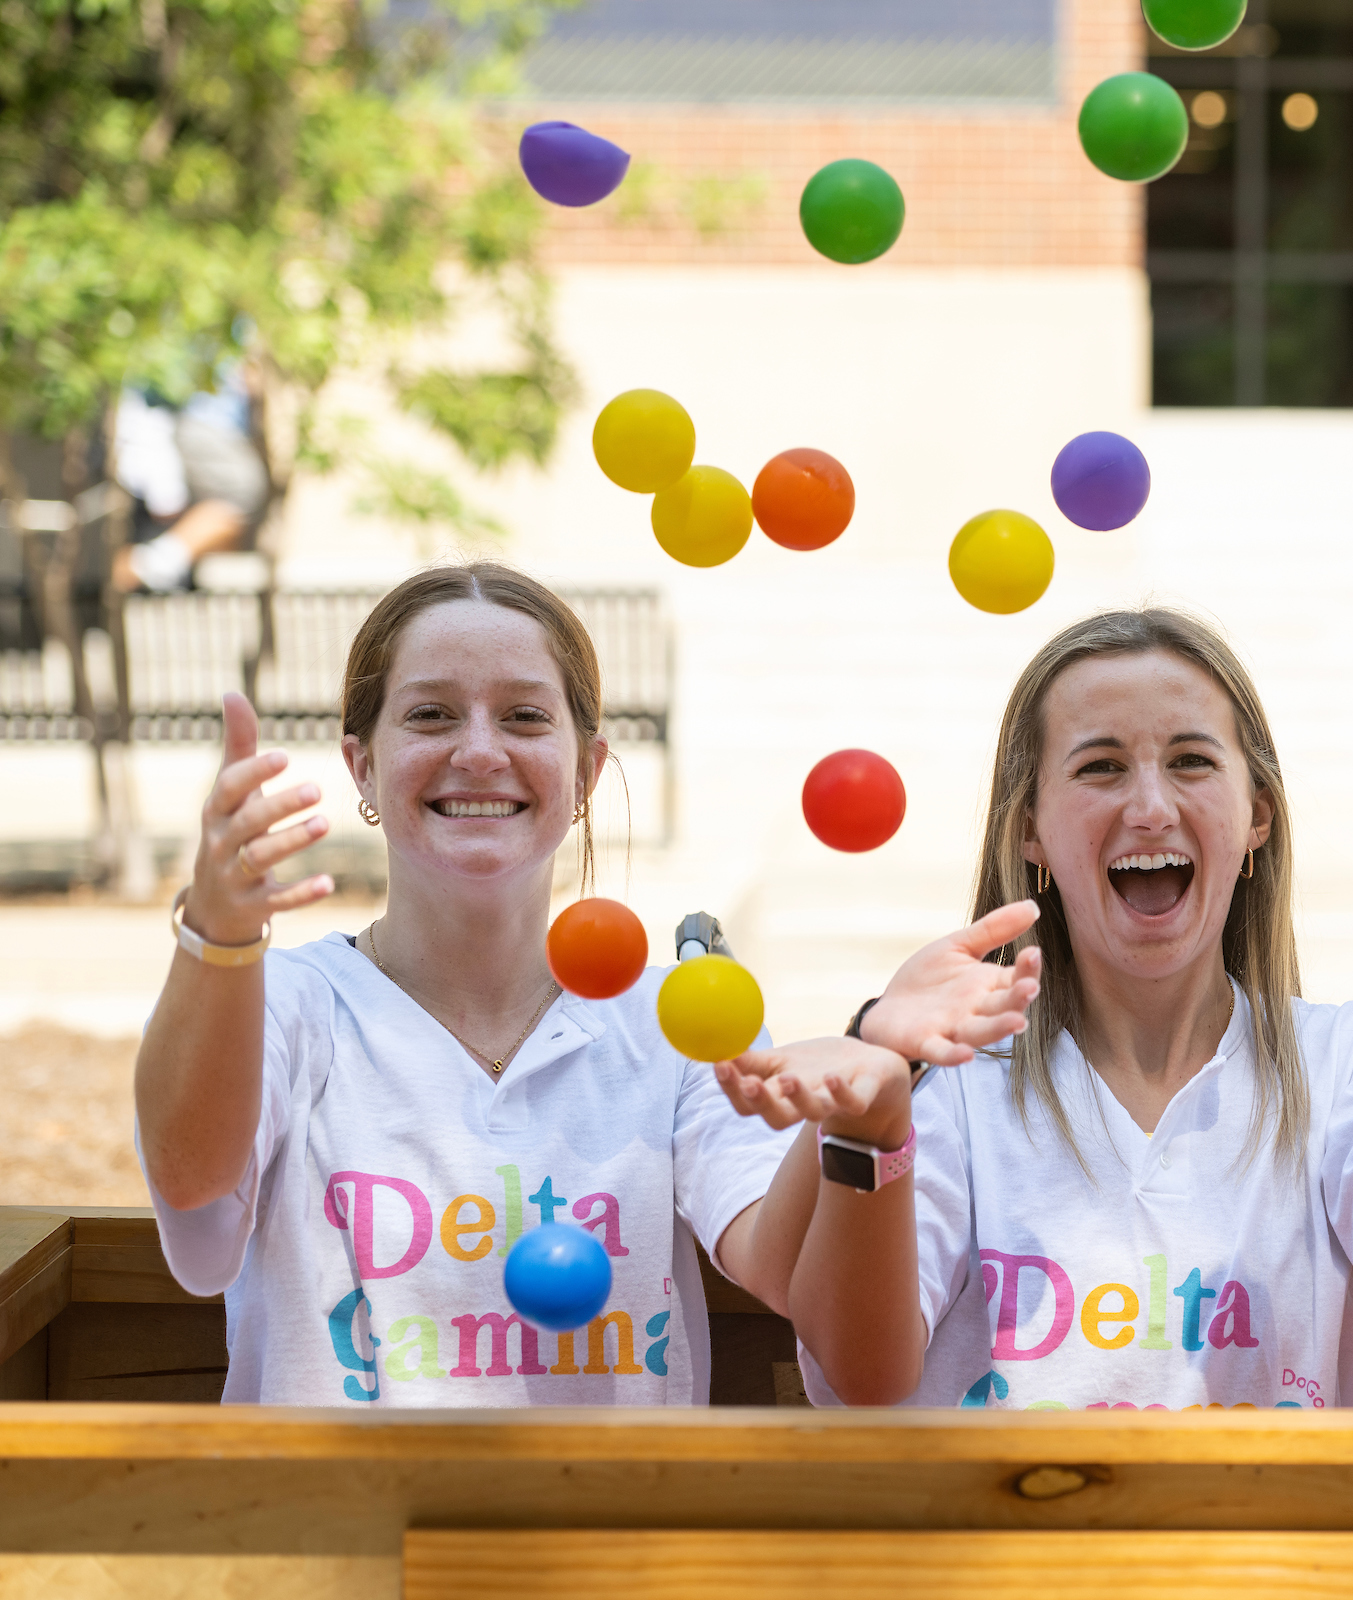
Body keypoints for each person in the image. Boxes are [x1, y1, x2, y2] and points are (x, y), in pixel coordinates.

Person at [720, 607, 1353, 1408]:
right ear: (1030, 833)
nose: (1150, 806)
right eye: (1098, 768)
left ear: (1258, 818)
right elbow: (860, 1373)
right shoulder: (948, 1066)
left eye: (1191, 762)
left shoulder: (1345, 1062)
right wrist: (873, 1120)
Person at [132, 561, 1021, 1405]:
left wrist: (874, 1069)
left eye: (523, 717)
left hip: (615, 1554)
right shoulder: (286, 1003)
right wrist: (218, 936)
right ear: (362, 766)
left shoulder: (677, 1016)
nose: (479, 752)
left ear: (587, 772)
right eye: (432, 715)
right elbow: (195, 1206)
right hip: (340, 1552)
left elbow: (780, 1265)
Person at [111, 364, 269, 593]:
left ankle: (159, 565)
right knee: (241, 492)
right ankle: (150, 565)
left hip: (206, 425)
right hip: (200, 418)